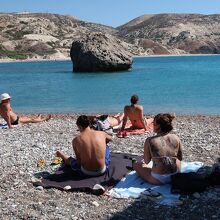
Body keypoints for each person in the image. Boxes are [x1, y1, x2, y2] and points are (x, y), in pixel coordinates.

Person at [133, 113, 183, 185]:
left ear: (158, 126)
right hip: (175, 176)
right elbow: (180, 158)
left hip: (158, 178)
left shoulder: (150, 140)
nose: (152, 125)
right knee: (176, 160)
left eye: (154, 123)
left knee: (137, 165)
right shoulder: (176, 137)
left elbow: (147, 161)